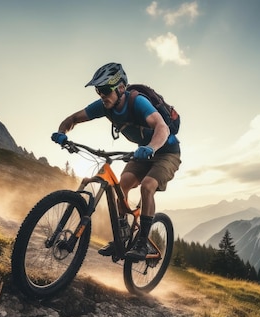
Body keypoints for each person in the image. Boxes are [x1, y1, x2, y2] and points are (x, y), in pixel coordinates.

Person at [51, 63, 181, 261]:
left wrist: (151, 149)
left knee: (147, 186)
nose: (101, 95)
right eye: (98, 90)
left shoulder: (138, 102)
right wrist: (62, 133)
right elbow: (73, 118)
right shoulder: (105, 107)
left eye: (105, 90)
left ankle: (142, 242)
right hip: (142, 153)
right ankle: (123, 233)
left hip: (166, 152)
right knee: (123, 184)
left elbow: (162, 127)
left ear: (121, 88)